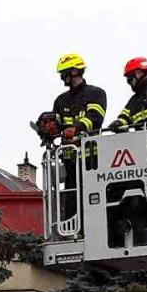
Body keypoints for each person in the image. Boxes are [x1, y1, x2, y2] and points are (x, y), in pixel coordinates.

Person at [40, 54, 107, 226]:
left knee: (92, 196)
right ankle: (73, 229)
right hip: (70, 159)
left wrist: (76, 128)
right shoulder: (60, 100)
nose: (62, 77)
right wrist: (48, 130)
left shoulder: (96, 93)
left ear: (76, 71)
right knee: (71, 198)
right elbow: (57, 126)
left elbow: (96, 118)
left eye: (65, 73)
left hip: (92, 159)